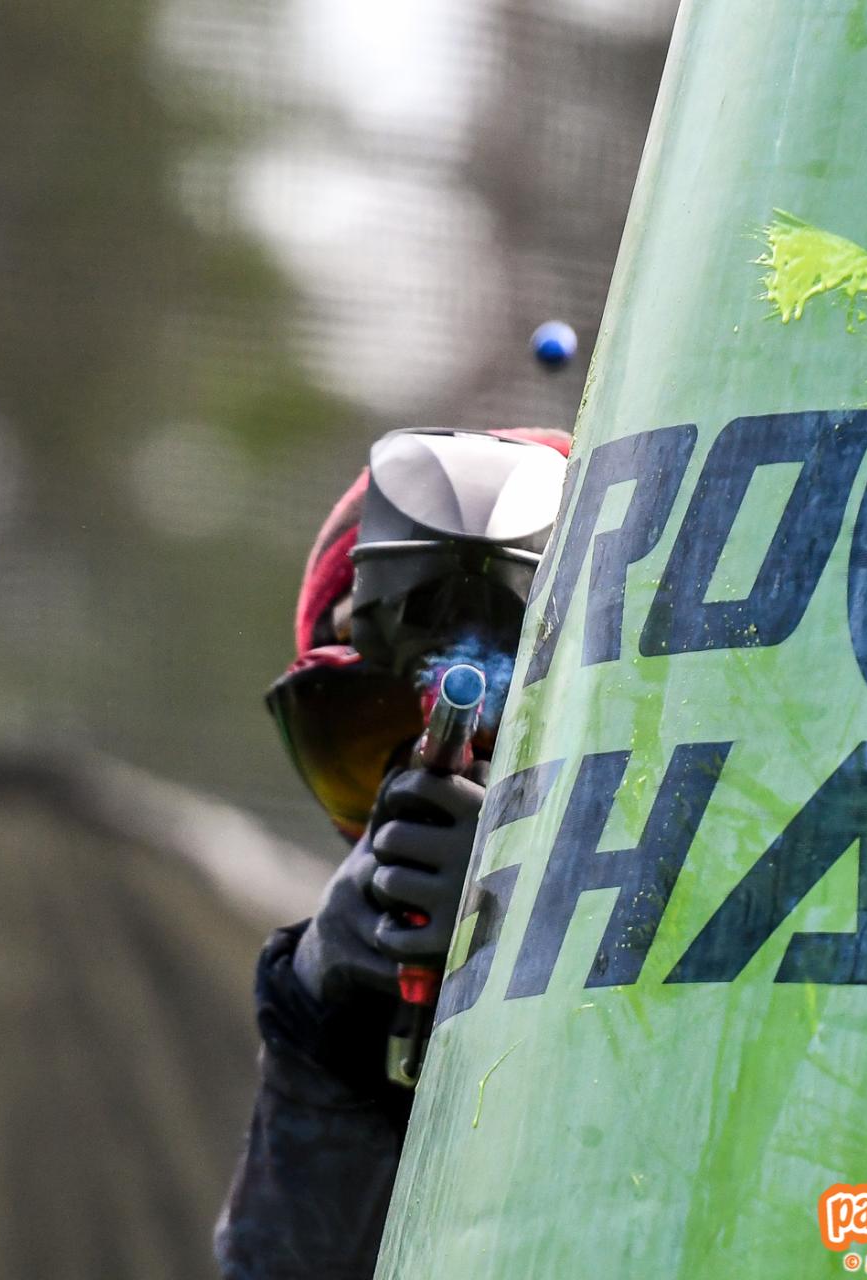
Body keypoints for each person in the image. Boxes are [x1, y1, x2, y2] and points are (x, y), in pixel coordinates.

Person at [215, 426, 571, 1280]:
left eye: (509, 750)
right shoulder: (340, 1010)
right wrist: (325, 1029)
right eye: (371, 741)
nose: (424, 796)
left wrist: (558, 927)